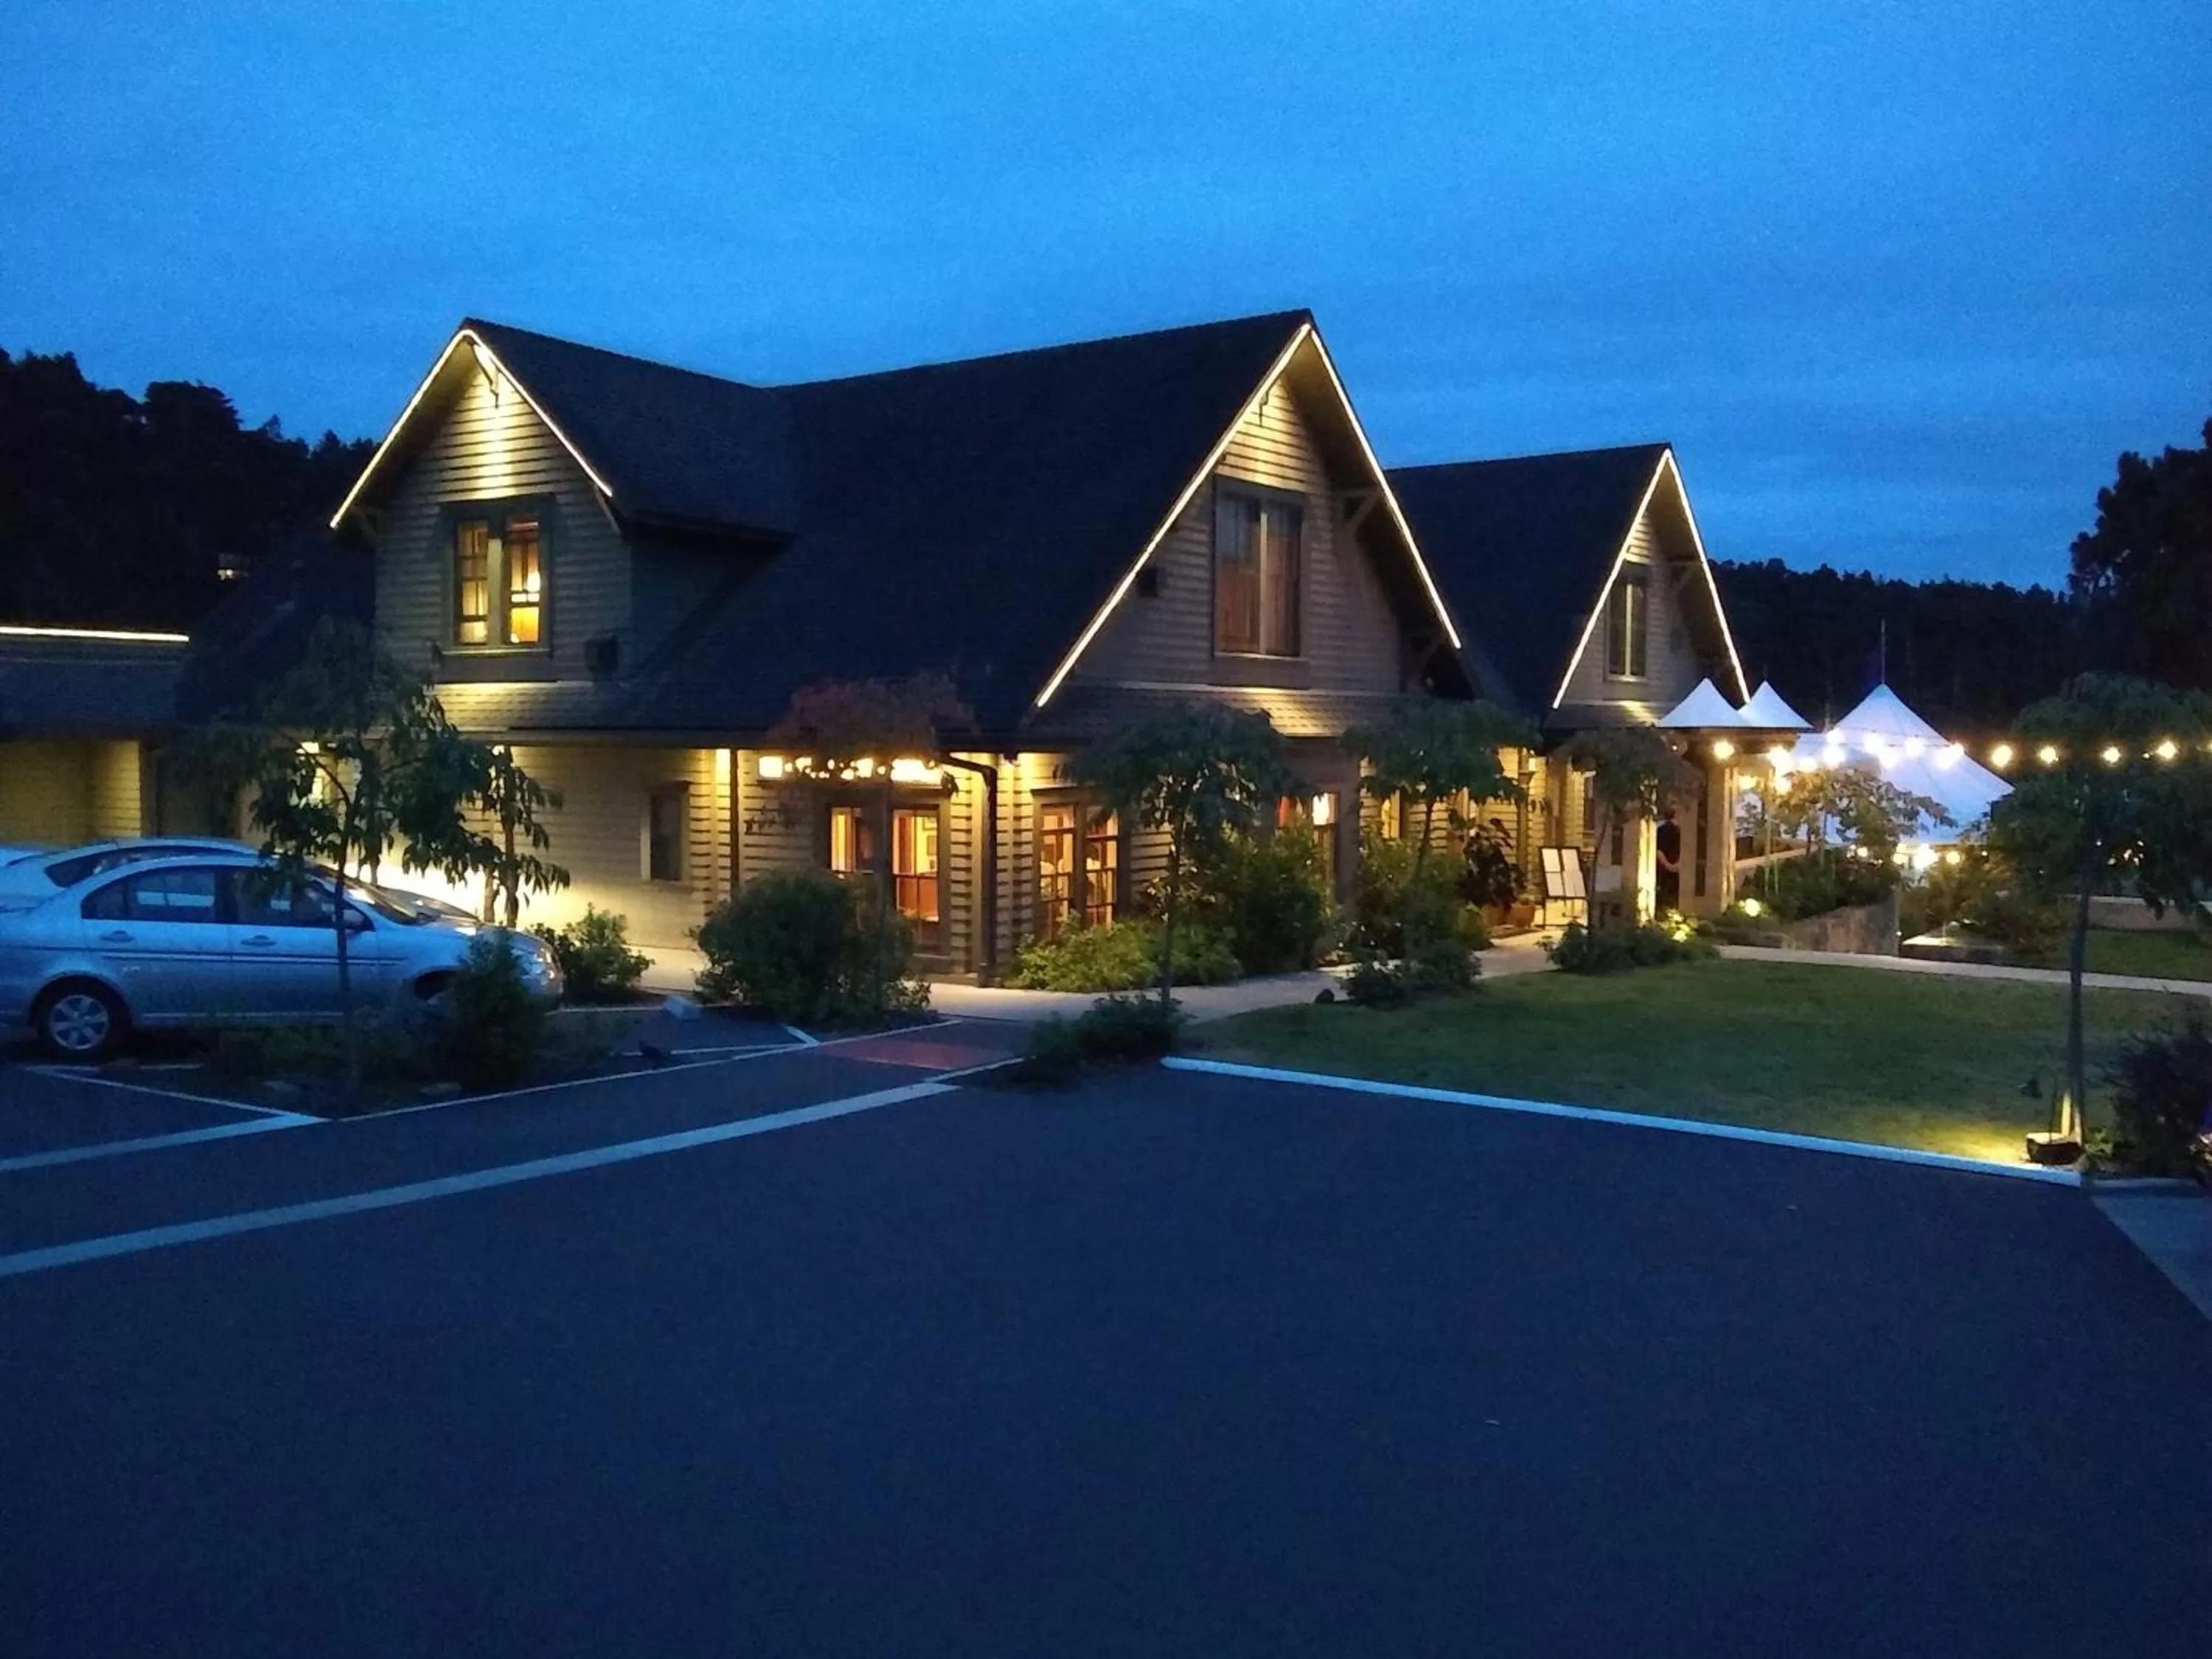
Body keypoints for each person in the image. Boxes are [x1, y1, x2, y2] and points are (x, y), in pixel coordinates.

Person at [1655, 808, 1683, 914]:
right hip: (1667, 872)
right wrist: (1669, 866)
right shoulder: (1667, 830)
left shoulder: (1680, 830)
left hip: (1671, 871)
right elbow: (1659, 850)